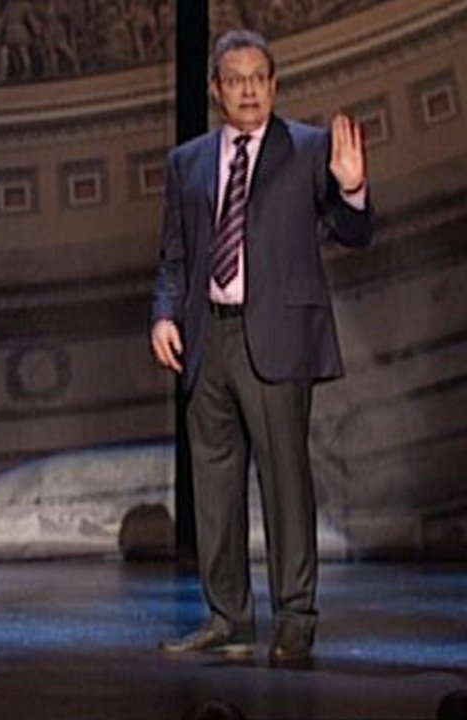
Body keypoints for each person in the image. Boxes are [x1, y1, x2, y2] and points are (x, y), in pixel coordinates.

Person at [150, 29, 372, 667]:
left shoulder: (309, 148)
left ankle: (295, 619)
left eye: (258, 78)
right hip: (207, 338)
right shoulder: (187, 161)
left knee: (285, 484)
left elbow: (354, 232)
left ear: (274, 85)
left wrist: (352, 189)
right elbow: (173, 254)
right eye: (235, 80)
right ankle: (228, 618)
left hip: (276, 337)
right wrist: (163, 316)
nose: (248, 90)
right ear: (216, 90)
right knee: (214, 488)